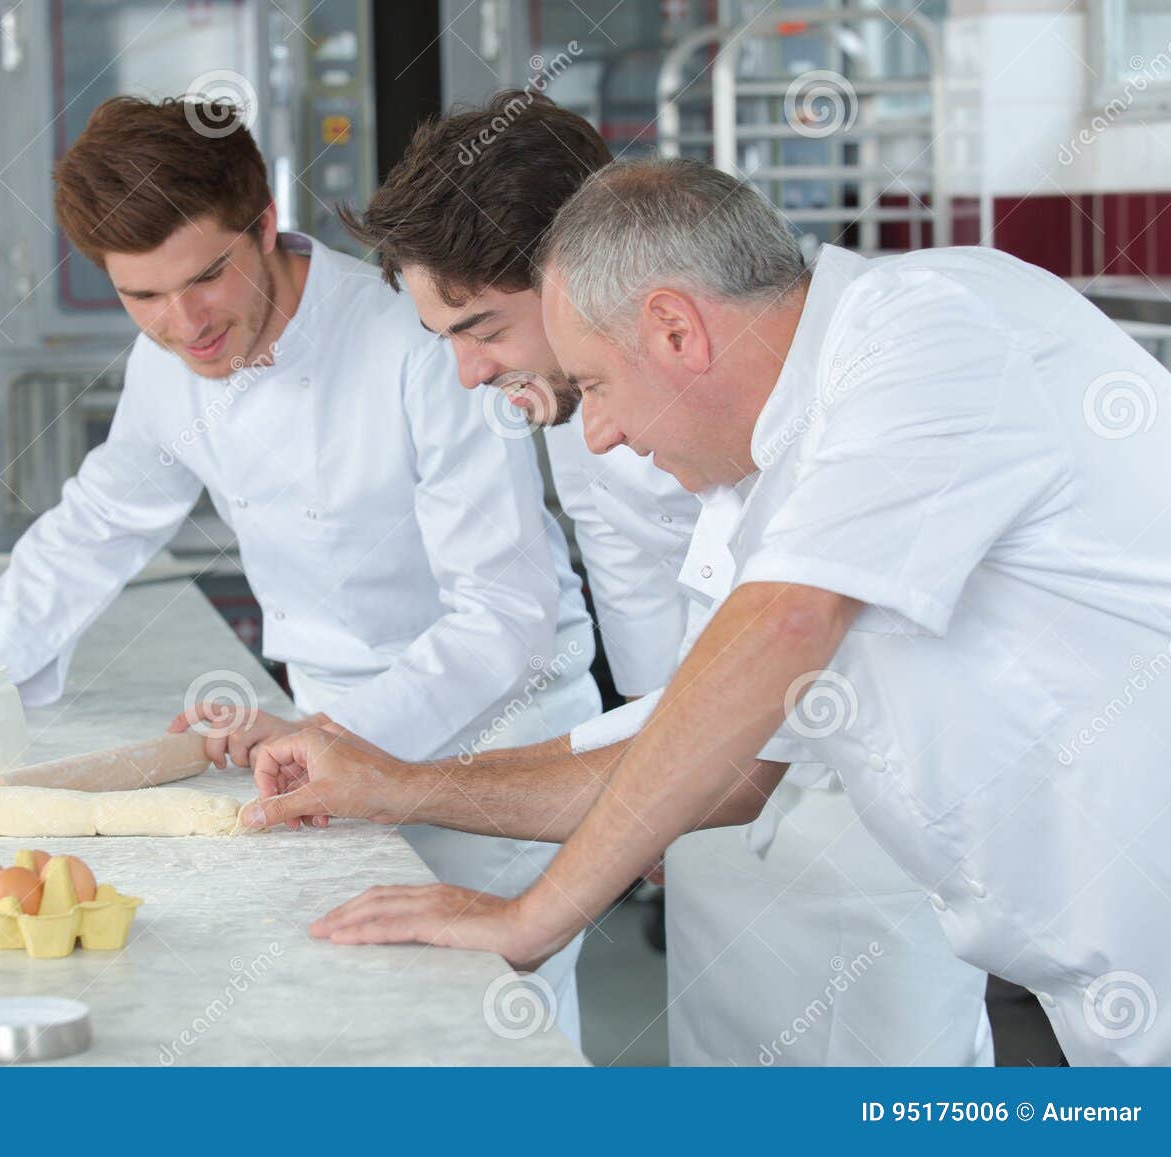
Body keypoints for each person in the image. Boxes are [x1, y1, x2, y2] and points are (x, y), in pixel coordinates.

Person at [243, 156, 1171, 1067]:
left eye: (598, 385)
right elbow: (722, 762)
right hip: (1104, 995)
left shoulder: (929, 323)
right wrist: (399, 784)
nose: (596, 430)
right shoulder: (763, 481)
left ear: (676, 330)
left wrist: (533, 917)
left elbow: (785, 626)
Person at [0, 95, 599, 1044]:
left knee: (493, 1047)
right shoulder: (174, 361)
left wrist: (335, 737)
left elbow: (504, 613)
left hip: (496, 749)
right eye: (141, 297)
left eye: (208, 276)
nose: (184, 324)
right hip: (321, 757)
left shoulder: (415, 339)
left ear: (265, 223)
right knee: (359, 1038)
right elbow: (100, 519)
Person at [331, 92, 991, 1066]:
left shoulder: (865, 370)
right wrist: (641, 813)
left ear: (580, 276)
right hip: (705, 802)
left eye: (481, 327)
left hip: (858, 818)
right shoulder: (579, 414)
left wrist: (526, 886)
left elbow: (773, 642)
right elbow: (652, 632)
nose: (470, 373)